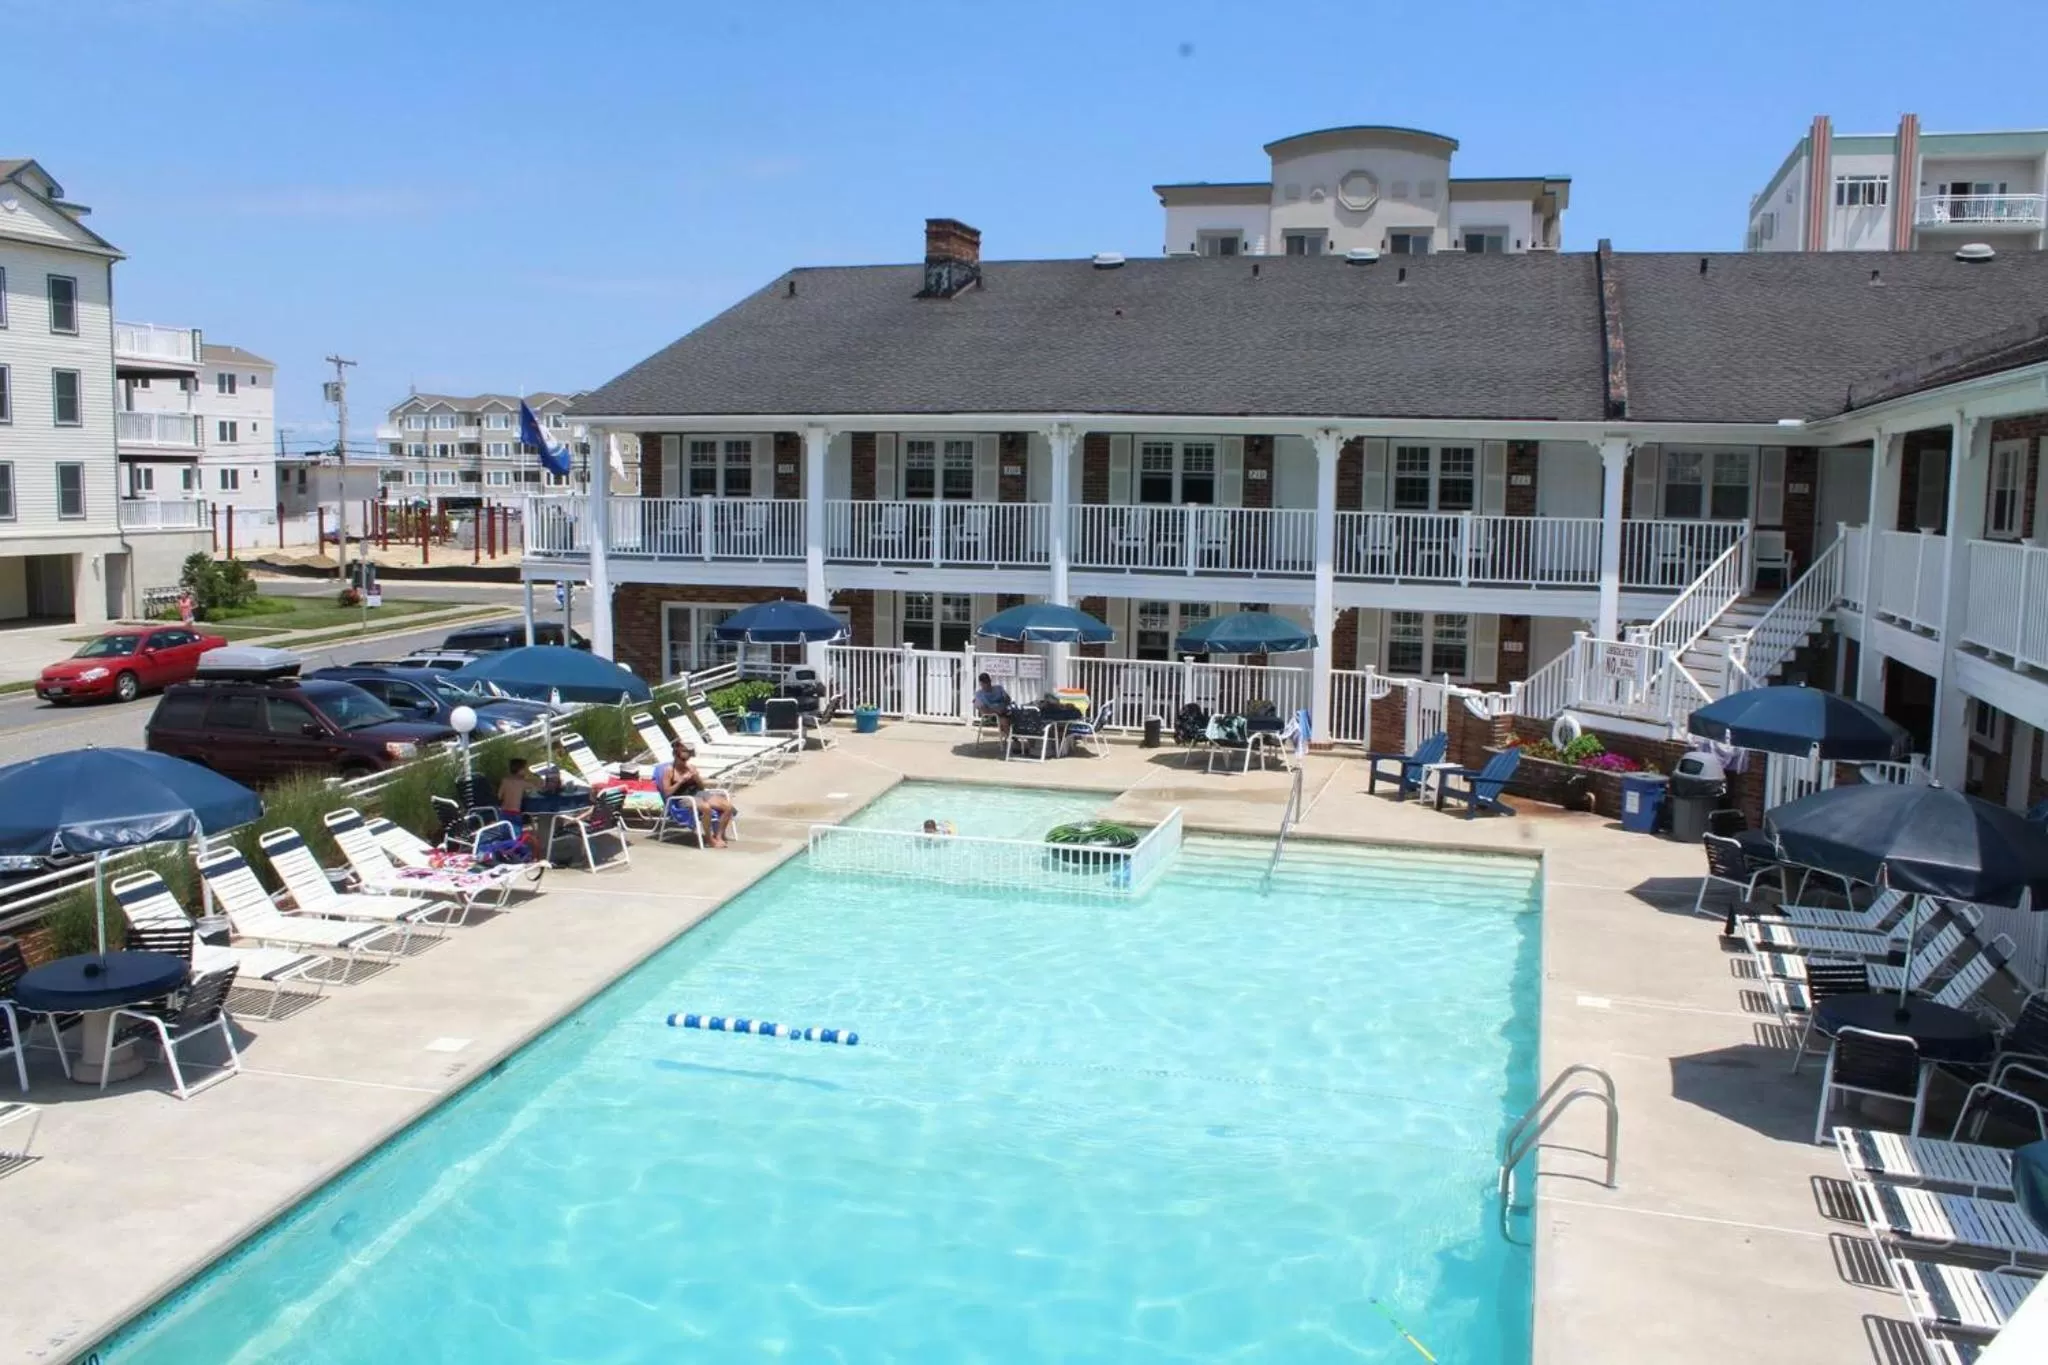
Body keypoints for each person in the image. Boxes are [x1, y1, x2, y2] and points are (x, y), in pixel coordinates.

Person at [654, 741, 737, 848]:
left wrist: (696, 777)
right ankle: (710, 840)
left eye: (686, 759)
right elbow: (667, 793)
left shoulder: (691, 767)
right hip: (683, 797)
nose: (684, 762)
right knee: (706, 808)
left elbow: (702, 787)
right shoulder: (669, 771)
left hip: (699, 793)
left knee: (728, 807)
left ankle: (719, 836)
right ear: (675, 757)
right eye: (682, 760)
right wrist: (681, 781)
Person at [497, 757, 542, 827]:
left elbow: (499, 796)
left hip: (503, 812)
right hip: (515, 813)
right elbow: (538, 787)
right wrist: (535, 777)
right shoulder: (522, 783)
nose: (526, 771)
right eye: (525, 769)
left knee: (505, 831)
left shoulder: (505, 781)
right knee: (516, 831)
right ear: (520, 770)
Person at [972, 672, 1013, 738]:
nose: (987, 684)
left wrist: (1006, 699)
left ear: (990, 681)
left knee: (1020, 717)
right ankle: (1011, 739)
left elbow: (1008, 700)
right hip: (992, 715)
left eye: (988, 682)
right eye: (985, 683)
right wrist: (996, 711)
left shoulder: (999, 688)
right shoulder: (979, 694)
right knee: (1004, 721)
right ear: (981, 684)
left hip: (1005, 710)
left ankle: (1012, 736)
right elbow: (983, 710)